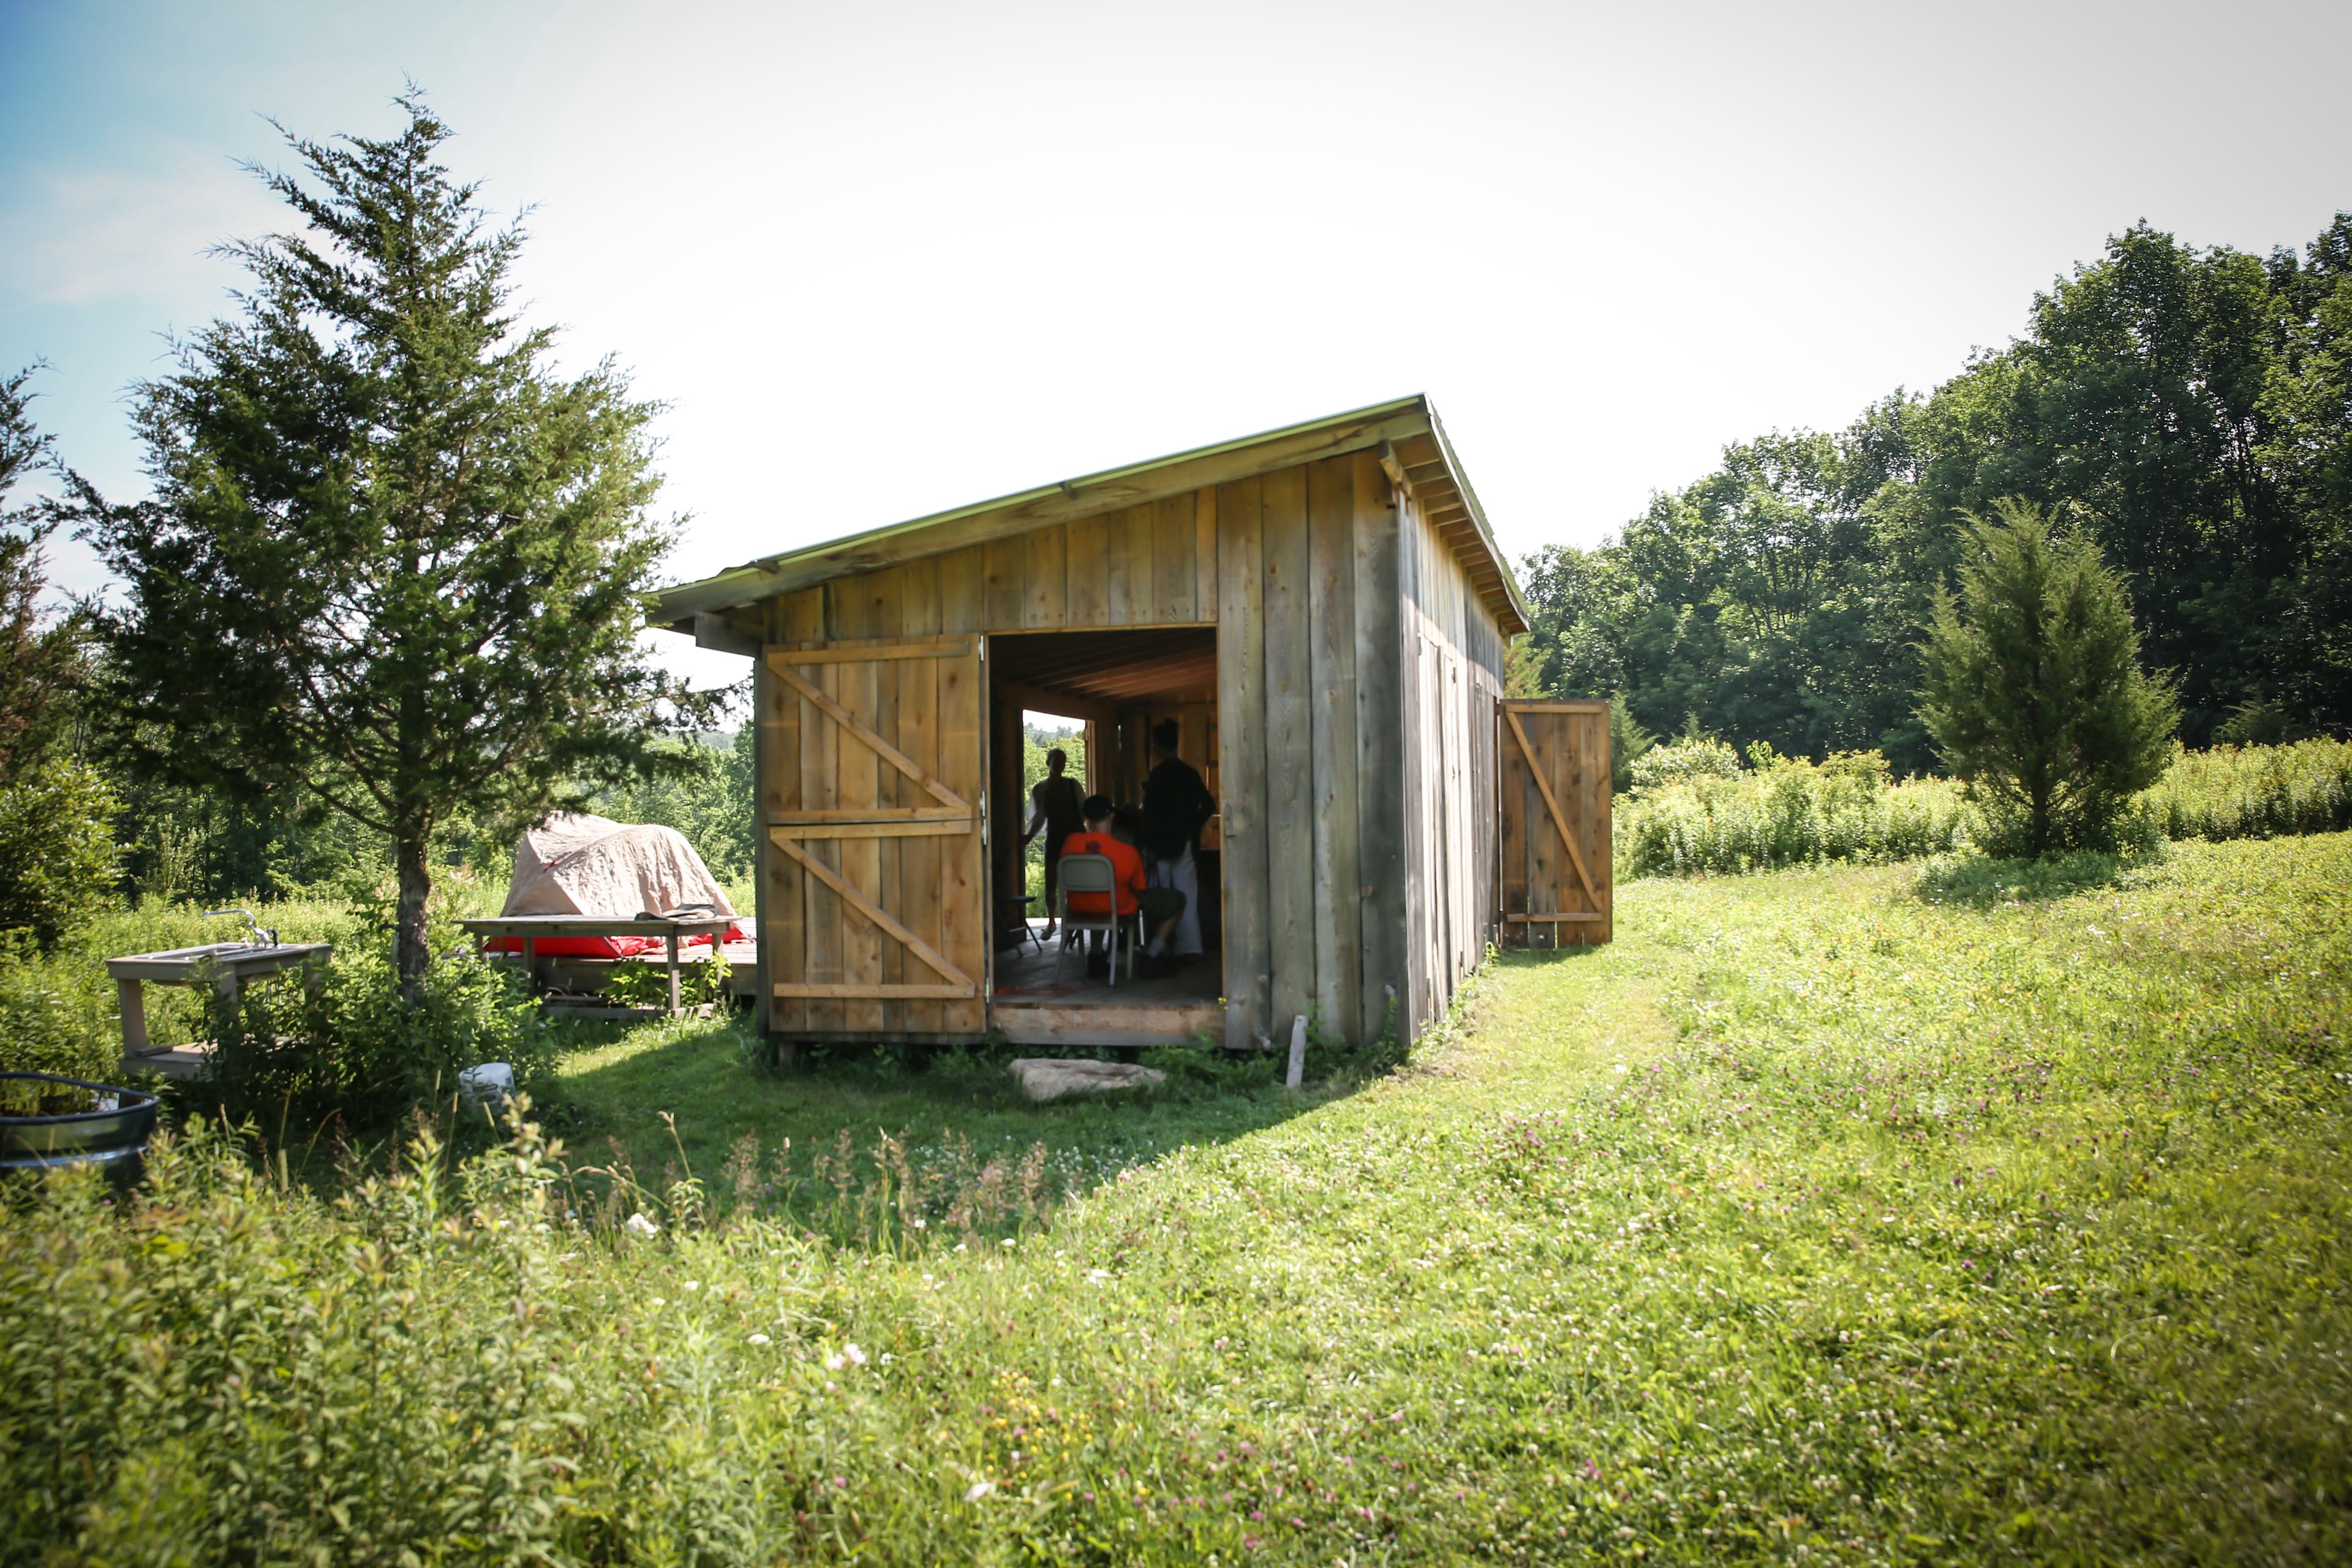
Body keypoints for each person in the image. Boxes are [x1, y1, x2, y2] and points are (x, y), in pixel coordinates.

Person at [1061, 794, 1185, 979]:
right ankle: (1152, 955)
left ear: (1085, 819)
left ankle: (1096, 956)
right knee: (1178, 899)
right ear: (1112, 816)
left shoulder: (1070, 843)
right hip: (1115, 908)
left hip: (1079, 908)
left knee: (1098, 899)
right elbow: (1140, 889)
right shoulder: (1127, 852)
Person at [1138, 718, 1215, 957]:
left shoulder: (1157, 776)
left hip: (1159, 845)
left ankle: (1158, 947)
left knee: (1161, 899)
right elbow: (1209, 805)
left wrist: (1147, 845)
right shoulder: (1189, 774)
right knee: (1187, 897)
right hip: (1186, 843)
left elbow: (1148, 815)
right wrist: (1191, 826)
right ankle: (1191, 948)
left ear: (1158, 746)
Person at [1019, 746, 1086, 937]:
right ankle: (1052, 922)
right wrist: (1029, 838)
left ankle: (1069, 920)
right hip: (1057, 837)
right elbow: (1039, 819)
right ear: (1048, 763)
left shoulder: (1073, 785)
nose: (1060, 765)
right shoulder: (1040, 789)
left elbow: (1083, 811)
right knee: (1051, 883)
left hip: (1075, 838)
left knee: (1074, 883)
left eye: (1063, 761)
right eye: (1057, 761)